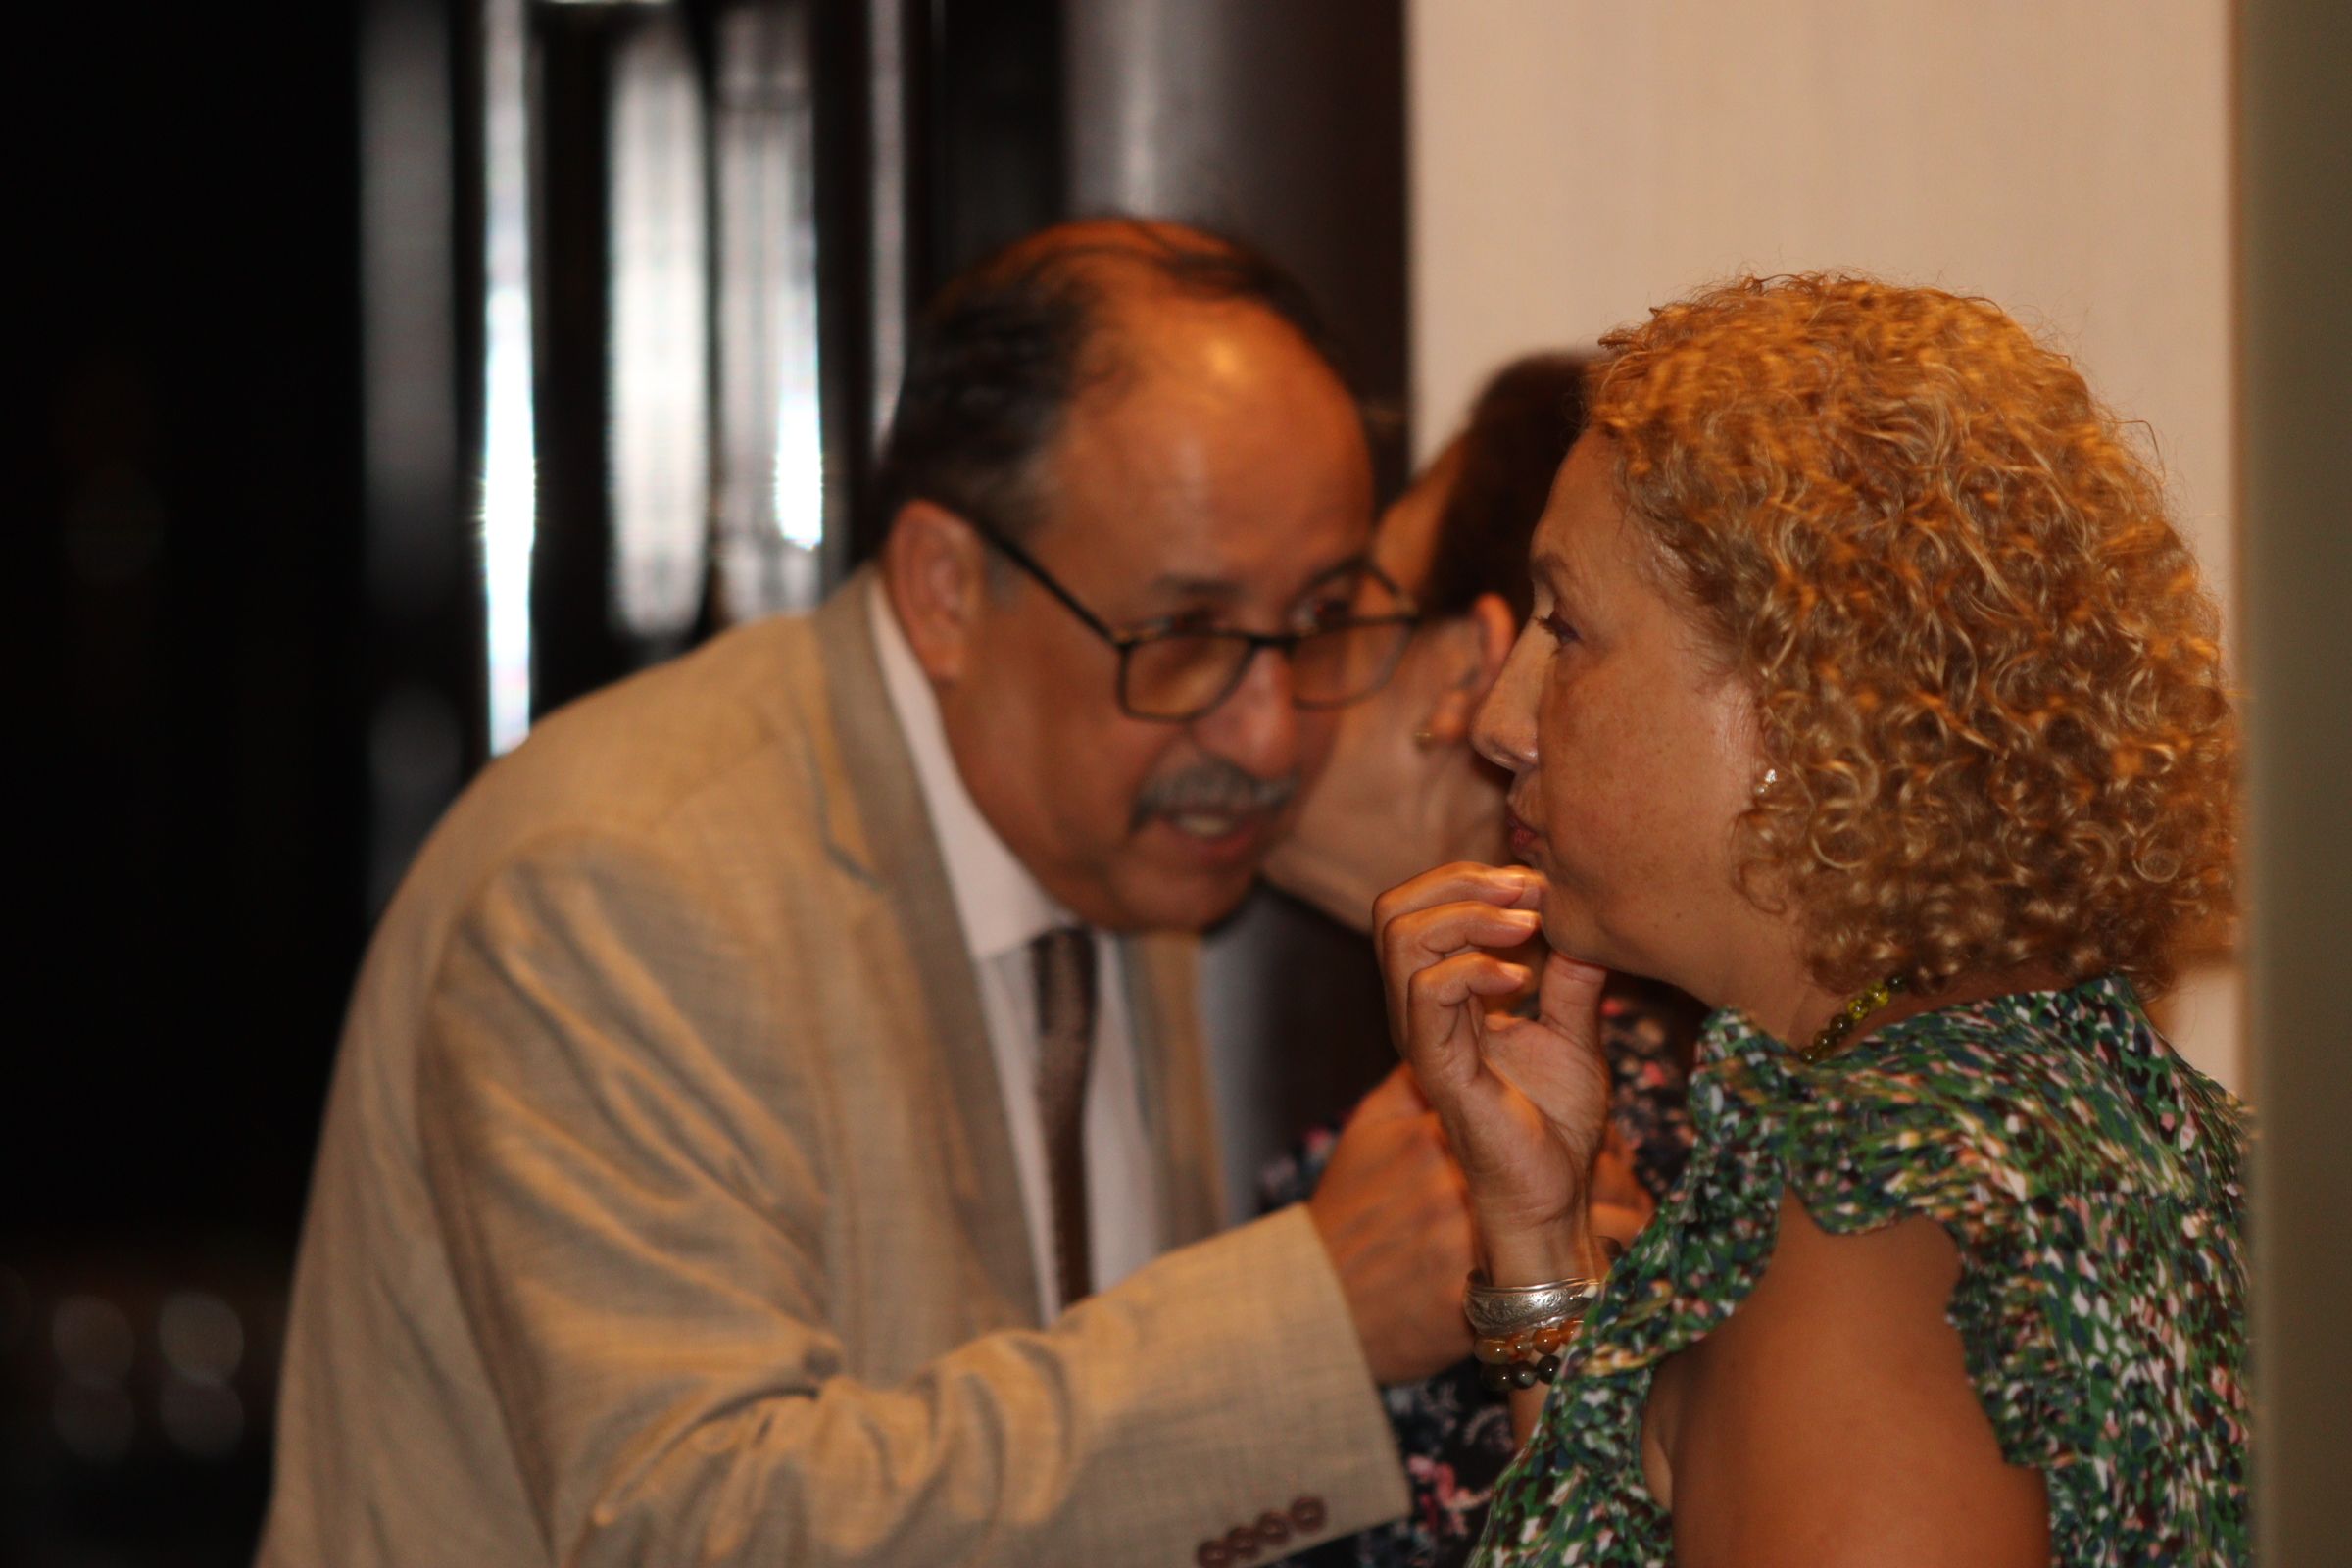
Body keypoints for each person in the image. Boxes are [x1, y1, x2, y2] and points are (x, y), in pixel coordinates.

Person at [257, 219, 1478, 1567]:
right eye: (1185, 633)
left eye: (1317, 621)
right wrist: (1308, 1323)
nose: (1268, 733)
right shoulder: (622, 882)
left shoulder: (1119, 811)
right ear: (945, 590)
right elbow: (698, 1529)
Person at [1377, 274, 2245, 1566]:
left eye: (1567, 627)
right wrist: (1538, 1235)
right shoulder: (2098, 1104)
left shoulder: (1873, 1212)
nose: (1502, 722)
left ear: (1798, 699)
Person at [1261, 355, 1698, 1568]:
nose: (1267, 702)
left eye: (1337, 622)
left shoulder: (1605, 1114)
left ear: (1463, 668)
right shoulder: (1618, 1085)